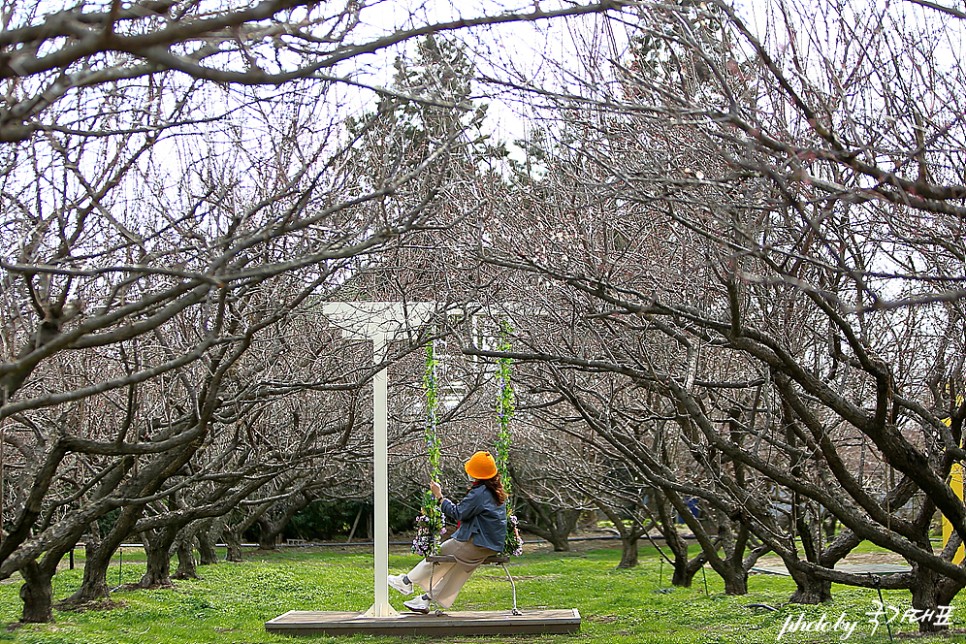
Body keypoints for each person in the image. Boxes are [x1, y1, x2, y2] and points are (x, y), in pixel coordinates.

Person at [388, 450, 508, 613]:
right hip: (491, 545)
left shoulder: (480, 493)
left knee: (439, 556)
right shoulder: (495, 491)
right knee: (457, 573)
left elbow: (458, 512)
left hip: (477, 542)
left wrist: (439, 496)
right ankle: (424, 600)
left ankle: (407, 581)